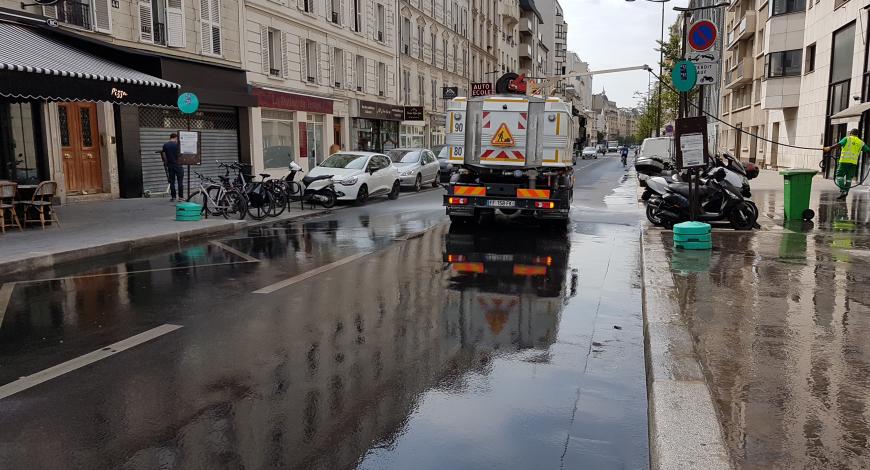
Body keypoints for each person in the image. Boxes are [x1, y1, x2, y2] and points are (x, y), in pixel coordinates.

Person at [824, 128, 870, 200]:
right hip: (853, 163)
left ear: (850, 133)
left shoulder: (847, 139)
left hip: (844, 161)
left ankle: (843, 190)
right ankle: (845, 194)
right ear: (857, 135)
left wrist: (829, 148)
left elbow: (839, 144)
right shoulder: (861, 142)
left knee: (839, 176)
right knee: (849, 179)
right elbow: (868, 150)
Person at [162, 133, 183, 202]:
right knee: (180, 181)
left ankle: (173, 197)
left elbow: (164, 156)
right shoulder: (178, 145)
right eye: (177, 139)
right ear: (175, 138)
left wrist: (166, 163)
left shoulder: (165, 145)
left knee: (172, 182)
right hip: (178, 165)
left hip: (170, 165)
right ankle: (181, 197)